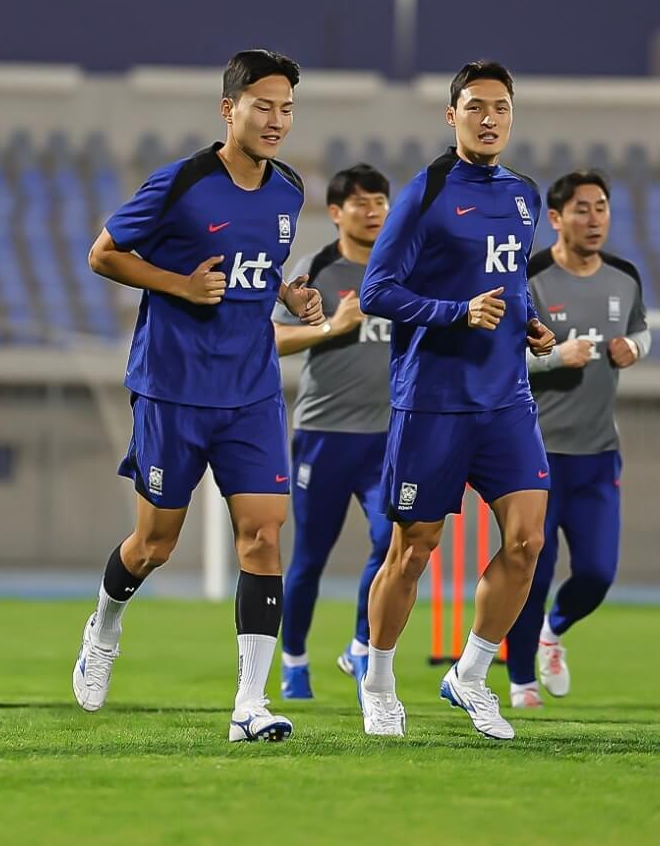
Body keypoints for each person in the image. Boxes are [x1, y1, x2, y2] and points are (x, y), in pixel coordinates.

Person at [72, 49, 323, 743]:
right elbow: (102, 253)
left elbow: (260, 263)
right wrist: (178, 284)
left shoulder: (288, 189)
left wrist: (287, 292)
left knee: (264, 533)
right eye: (262, 106)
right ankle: (105, 625)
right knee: (155, 543)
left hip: (249, 392)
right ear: (229, 108)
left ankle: (250, 703)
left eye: (286, 108)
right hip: (172, 389)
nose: (276, 120)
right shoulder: (181, 181)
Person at [357, 59, 557, 740]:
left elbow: (508, 283)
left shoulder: (525, 195)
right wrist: (454, 311)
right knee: (412, 551)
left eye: (500, 105)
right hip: (433, 400)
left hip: (505, 401)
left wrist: (528, 322)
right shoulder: (427, 190)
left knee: (527, 540)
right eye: (474, 106)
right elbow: (376, 291)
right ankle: (378, 681)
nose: (489, 117)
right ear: (452, 116)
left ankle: (468, 674)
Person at [505, 170, 650, 709]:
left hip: (597, 455)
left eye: (602, 208)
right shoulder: (529, 277)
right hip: (535, 453)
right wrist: (551, 356)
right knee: (531, 571)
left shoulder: (625, 277)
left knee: (596, 573)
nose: (595, 220)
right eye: (582, 210)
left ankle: (552, 632)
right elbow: (498, 357)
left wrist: (636, 349)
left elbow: (641, 330)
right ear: (556, 218)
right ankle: (520, 681)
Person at [273, 164, 393, 700]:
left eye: (381, 202)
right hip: (323, 434)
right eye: (362, 203)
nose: (373, 212)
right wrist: (329, 327)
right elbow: (268, 340)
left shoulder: (401, 270)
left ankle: (362, 645)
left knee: (392, 539)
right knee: (310, 558)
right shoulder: (314, 269)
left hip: (388, 436)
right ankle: (294, 661)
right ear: (336, 212)